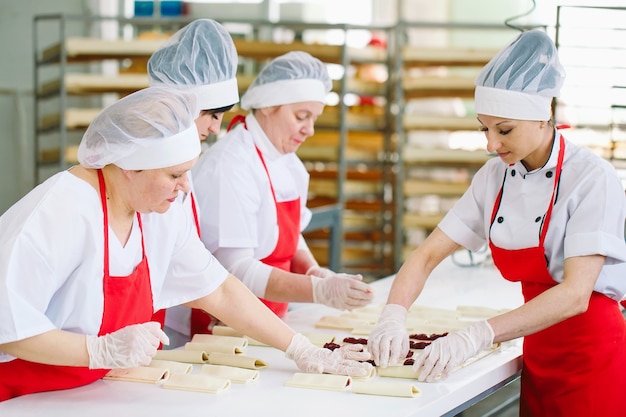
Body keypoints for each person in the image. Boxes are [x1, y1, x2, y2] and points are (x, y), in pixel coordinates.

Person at [0, 86, 372, 402]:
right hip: (25, 397)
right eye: (174, 174)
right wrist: (96, 350)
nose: (185, 187)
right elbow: (8, 322)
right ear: (130, 165)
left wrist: (299, 348)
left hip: (93, 394)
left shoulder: (156, 211)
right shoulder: (61, 211)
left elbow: (221, 291)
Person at [367, 29, 626, 416]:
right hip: (535, 346)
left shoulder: (591, 178)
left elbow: (575, 295)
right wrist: (393, 315)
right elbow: (426, 256)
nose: (491, 144)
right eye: (484, 129)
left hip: (591, 354)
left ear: (543, 116)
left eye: (504, 130)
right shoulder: (493, 178)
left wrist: (479, 334)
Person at [192, 51, 374, 323]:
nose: (309, 130)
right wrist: (318, 291)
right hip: (221, 325)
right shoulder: (230, 165)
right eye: (301, 116)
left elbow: (288, 235)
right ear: (267, 105)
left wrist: (312, 270)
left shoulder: (289, 164)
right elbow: (235, 269)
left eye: (314, 119)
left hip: (271, 318)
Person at [147, 18, 239, 336]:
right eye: (212, 114)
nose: (216, 128)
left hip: (156, 330)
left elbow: (198, 269)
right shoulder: (148, 177)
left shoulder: (182, 170)